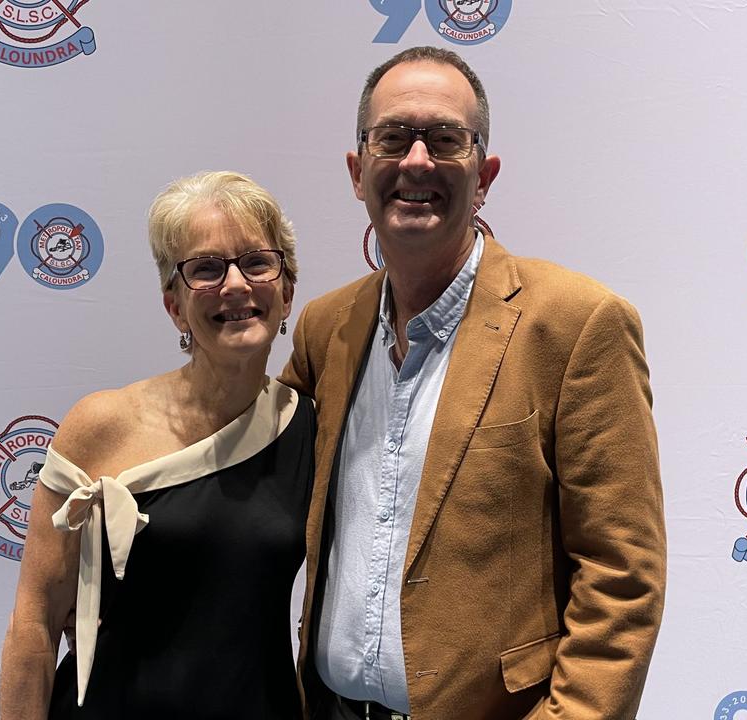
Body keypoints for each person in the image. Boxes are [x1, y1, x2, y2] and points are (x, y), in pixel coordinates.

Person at [281, 47, 666, 720]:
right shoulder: (325, 330)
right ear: (357, 170)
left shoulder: (576, 325)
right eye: (393, 138)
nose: (418, 161)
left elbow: (622, 579)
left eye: (446, 139)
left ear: (484, 175)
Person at [0, 171, 312, 720]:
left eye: (256, 262)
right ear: (174, 306)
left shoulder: (311, 427)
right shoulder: (100, 425)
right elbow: (35, 619)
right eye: (206, 269)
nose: (236, 285)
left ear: (286, 291)